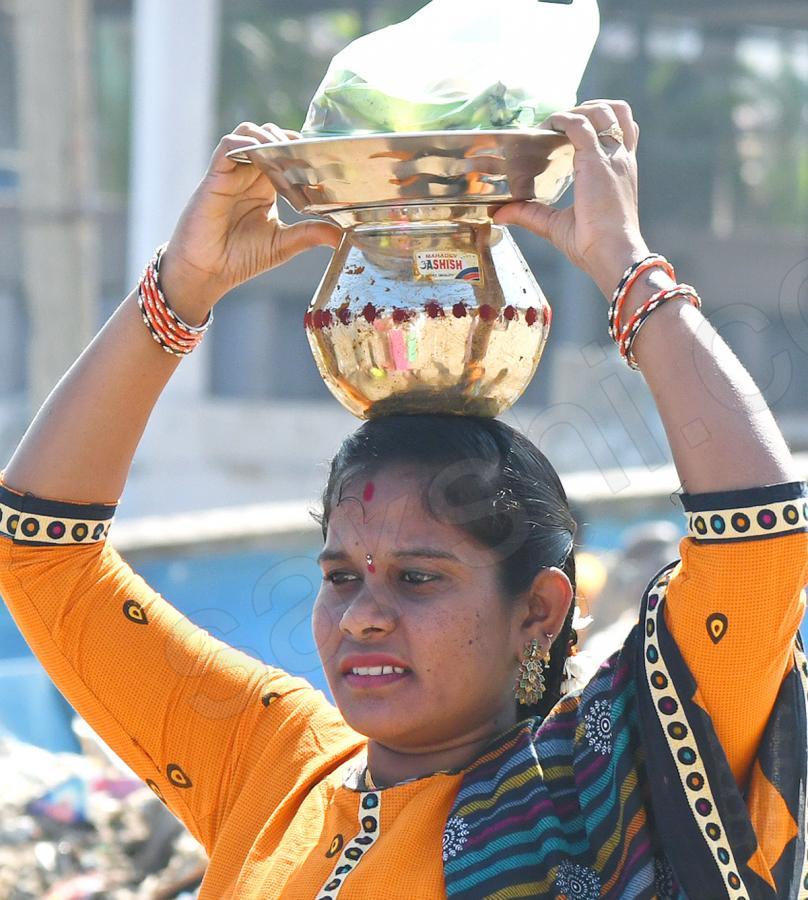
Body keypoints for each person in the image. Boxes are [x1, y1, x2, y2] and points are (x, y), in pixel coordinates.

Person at [0, 100, 806, 899]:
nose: (361, 617)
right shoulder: (271, 765)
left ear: (540, 610)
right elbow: (40, 552)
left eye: (419, 578)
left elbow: (759, 546)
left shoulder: (598, 787)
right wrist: (178, 292)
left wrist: (627, 270)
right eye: (342, 576)